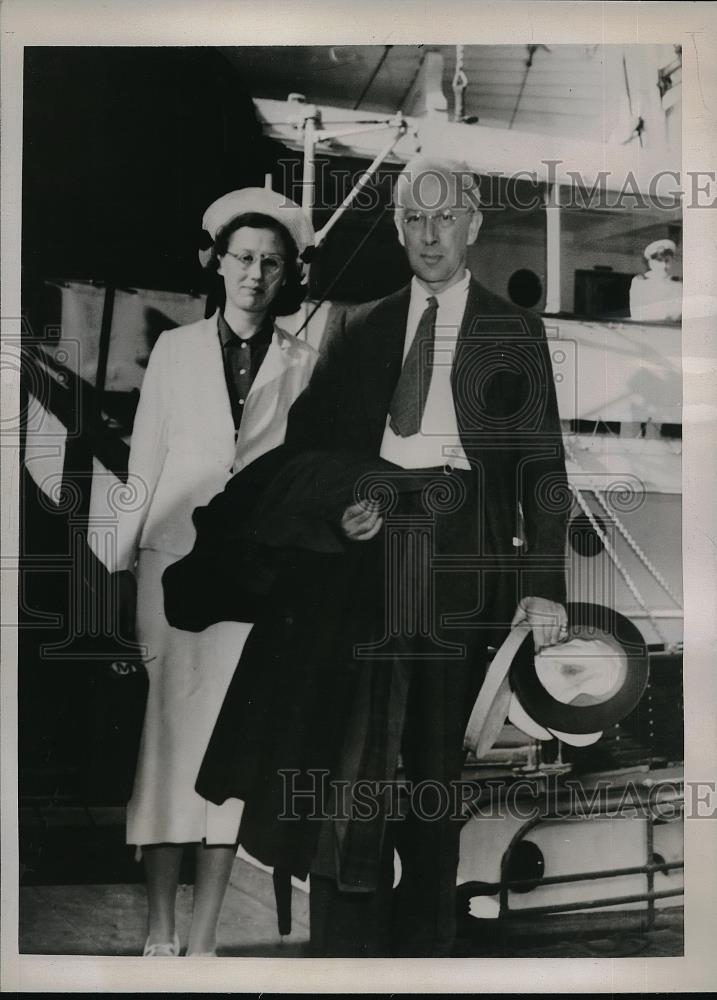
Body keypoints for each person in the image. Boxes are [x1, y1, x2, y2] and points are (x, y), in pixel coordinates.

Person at [179, 156, 569, 957]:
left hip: (459, 561)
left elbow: (543, 470)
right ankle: (339, 958)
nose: (428, 236)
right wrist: (338, 511)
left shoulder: (515, 331)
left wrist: (545, 589)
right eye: (413, 221)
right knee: (340, 758)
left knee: (429, 767)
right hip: (361, 561)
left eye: (442, 219)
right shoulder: (354, 324)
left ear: (472, 225)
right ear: (397, 228)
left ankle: (424, 953)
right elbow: (309, 448)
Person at [114, 187, 317, 956]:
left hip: (253, 579)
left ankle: (204, 944)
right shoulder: (174, 352)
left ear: (286, 273)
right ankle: (159, 935)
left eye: (271, 262)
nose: (255, 274)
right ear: (217, 264)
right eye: (242, 258)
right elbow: (143, 463)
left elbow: (299, 473)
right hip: (172, 574)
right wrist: (123, 561)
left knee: (234, 756)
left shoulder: (304, 361)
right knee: (165, 752)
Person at [629, 237, 682, 322]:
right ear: (651, 263)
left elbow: (678, 312)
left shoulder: (677, 284)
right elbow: (637, 312)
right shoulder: (640, 282)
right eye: (660, 261)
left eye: (667, 261)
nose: (664, 265)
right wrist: (665, 313)